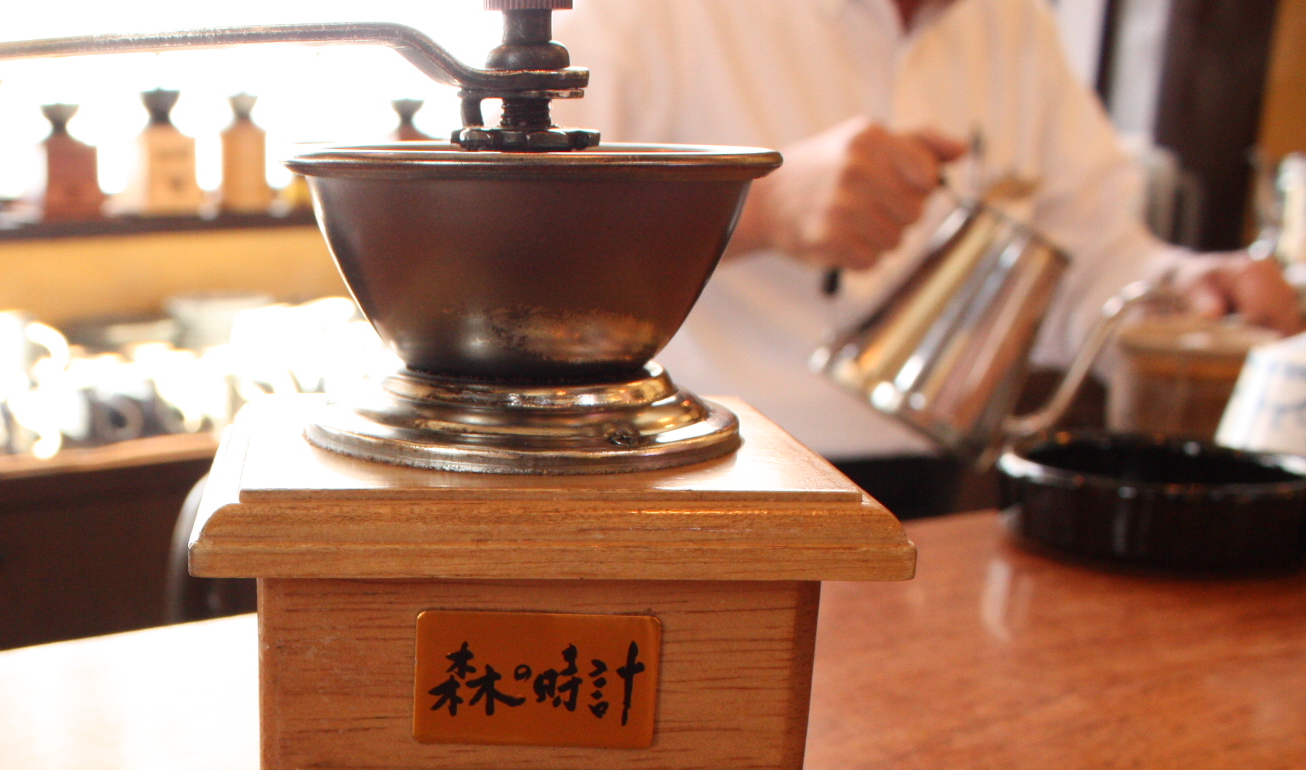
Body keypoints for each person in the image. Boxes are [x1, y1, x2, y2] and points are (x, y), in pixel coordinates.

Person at [554, 0, 1303, 516]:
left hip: (932, 487)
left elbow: (1090, 261)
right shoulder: (644, 17)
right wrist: (760, 208)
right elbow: (540, 260)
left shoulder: (1013, 26)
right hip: (691, 476)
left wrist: (1184, 287)